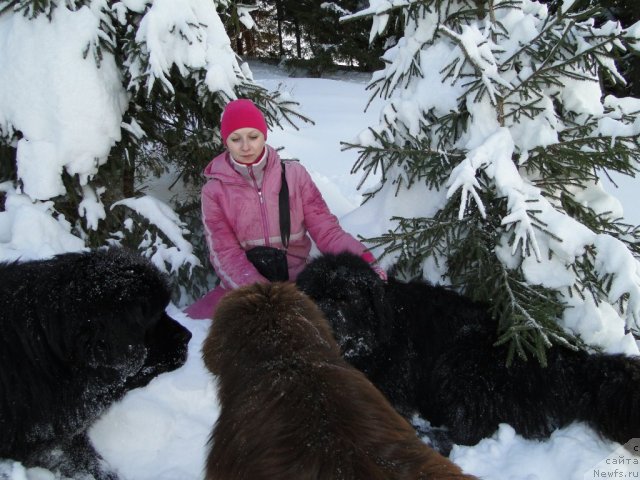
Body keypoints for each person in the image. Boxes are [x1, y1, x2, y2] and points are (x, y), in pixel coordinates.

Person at [184, 98, 385, 319]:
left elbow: (327, 231)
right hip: (244, 288)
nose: (246, 146)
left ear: (264, 135)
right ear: (225, 142)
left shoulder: (294, 176)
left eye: (253, 136)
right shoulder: (214, 191)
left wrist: (365, 262)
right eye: (235, 139)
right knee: (192, 324)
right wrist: (265, 293)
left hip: (299, 283)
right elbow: (225, 253)